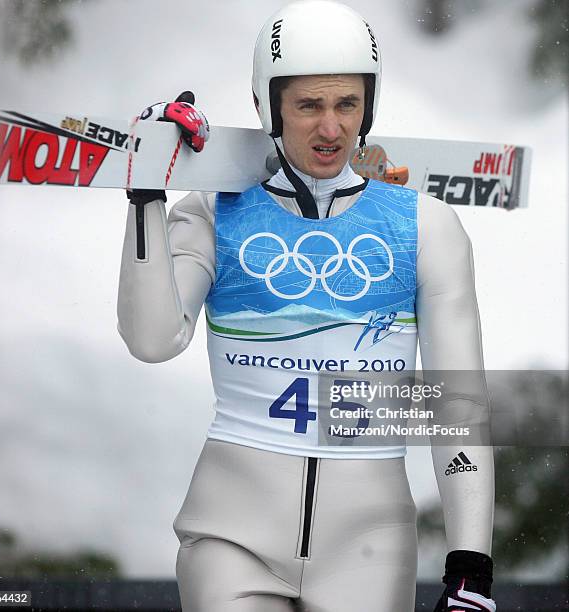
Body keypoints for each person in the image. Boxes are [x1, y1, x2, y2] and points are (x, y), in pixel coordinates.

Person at [117, 1, 496, 610]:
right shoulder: (214, 212)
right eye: (309, 106)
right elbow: (153, 339)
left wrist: (471, 563)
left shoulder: (425, 226)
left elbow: (459, 402)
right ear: (269, 108)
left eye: (347, 104)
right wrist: (144, 199)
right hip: (229, 534)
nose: (331, 129)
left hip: (368, 546)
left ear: (368, 107)